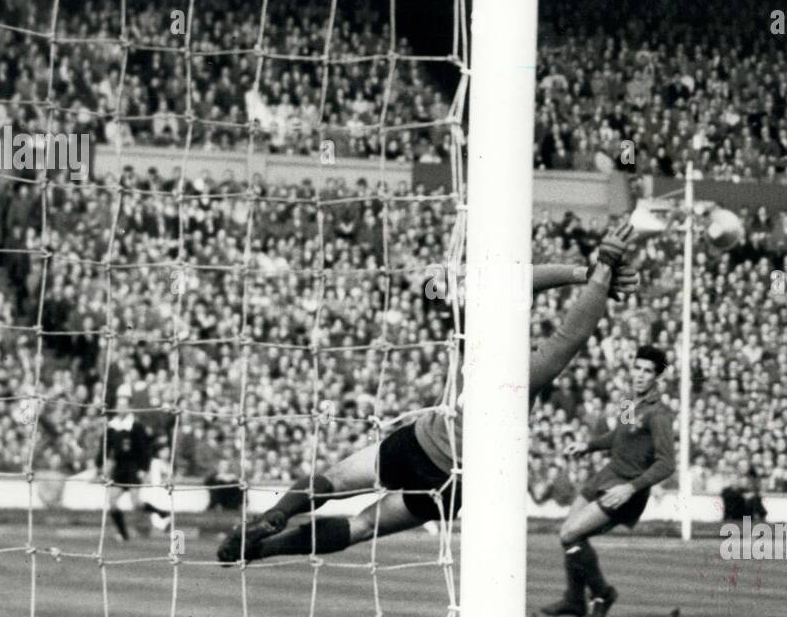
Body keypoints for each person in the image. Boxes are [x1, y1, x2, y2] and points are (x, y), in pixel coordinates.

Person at [216, 220, 640, 565]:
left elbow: (524, 282)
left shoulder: (470, 336)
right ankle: (264, 550)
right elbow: (573, 334)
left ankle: (277, 514)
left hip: (417, 439)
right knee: (362, 527)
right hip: (450, 478)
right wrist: (602, 270)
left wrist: (586, 272)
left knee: (336, 478)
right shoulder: (524, 372)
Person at [540, 344, 676, 617]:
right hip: (606, 475)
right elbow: (619, 437)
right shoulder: (629, 402)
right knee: (571, 535)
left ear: (657, 377)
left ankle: (602, 593)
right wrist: (588, 446)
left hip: (625, 488)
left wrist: (630, 488)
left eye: (647, 371)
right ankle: (575, 599)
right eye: (637, 368)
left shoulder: (658, 414)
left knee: (570, 534)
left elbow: (666, 464)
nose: (640, 375)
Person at [97, 386, 155, 542]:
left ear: (129, 408)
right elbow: (105, 448)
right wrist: (101, 466)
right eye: (119, 406)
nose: (121, 408)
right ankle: (123, 534)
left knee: (136, 503)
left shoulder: (136, 426)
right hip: (119, 468)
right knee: (112, 501)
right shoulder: (112, 427)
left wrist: (144, 469)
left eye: (124, 406)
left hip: (133, 467)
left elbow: (145, 450)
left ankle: (161, 514)